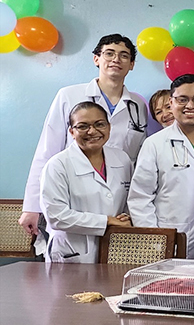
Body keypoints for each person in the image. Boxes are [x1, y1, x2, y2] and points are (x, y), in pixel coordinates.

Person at [20, 34, 148, 256]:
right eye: (109, 53)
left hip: (118, 203)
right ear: (96, 59)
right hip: (74, 194)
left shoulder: (138, 104)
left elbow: (137, 160)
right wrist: (32, 206)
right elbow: (47, 150)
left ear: (132, 64)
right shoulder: (69, 95)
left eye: (124, 55)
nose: (116, 59)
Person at [128, 75, 194, 258]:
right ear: (172, 103)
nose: (190, 106)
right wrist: (155, 241)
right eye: (182, 100)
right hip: (169, 240)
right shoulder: (155, 144)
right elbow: (140, 198)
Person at [39, 102, 133, 263]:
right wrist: (107, 221)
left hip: (115, 248)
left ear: (109, 127)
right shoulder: (58, 165)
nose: (92, 131)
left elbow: (129, 200)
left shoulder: (122, 159)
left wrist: (126, 218)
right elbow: (56, 216)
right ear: (71, 132)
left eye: (100, 124)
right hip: (73, 251)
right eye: (82, 126)